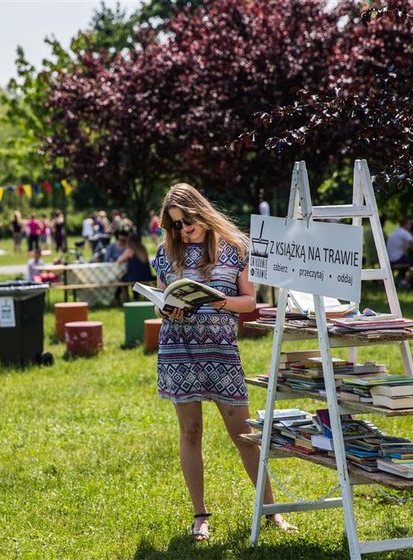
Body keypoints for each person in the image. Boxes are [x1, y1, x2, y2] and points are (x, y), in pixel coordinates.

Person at [151, 183, 295, 542]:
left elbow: (250, 302)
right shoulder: (166, 252)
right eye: (175, 225)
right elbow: (159, 298)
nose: (183, 230)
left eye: (186, 221)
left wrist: (219, 303)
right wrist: (163, 307)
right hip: (178, 349)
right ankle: (200, 515)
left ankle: (272, 512)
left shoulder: (234, 248)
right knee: (190, 431)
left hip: (221, 350)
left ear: (199, 211)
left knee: (244, 434)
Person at [386, 218, 413, 287]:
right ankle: (404, 282)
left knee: (410, 261)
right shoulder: (405, 233)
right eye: (410, 224)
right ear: (406, 225)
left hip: (390, 258)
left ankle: (401, 280)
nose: (411, 226)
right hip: (397, 258)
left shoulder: (396, 232)